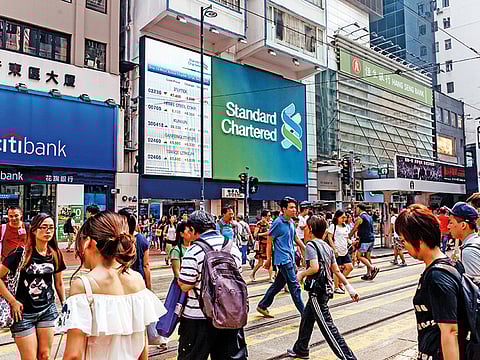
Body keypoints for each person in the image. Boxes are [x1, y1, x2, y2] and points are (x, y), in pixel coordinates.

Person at [60, 211, 166, 360]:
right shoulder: (137, 280)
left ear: (88, 242)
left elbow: (73, 355)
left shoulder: (84, 285)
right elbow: (143, 347)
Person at [395, 204, 465, 360]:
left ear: (418, 241)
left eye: (404, 241)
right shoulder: (452, 264)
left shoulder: (437, 277)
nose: (404, 247)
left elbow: (450, 332)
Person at [177, 210, 247, 360]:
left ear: (193, 229)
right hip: (229, 315)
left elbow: (185, 285)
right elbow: (238, 275)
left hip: (198, 317)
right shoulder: (232, 247)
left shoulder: (194, 250)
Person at [287, 216, 359, 360]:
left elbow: (314, 268)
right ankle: (301, 349)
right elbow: (337, 271)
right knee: (307, 319)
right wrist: (350, 289)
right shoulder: (327, 246)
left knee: (328, 327)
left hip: (317, 291)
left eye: (306, 227)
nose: (305, 229)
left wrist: (301, 274)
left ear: (311, 229)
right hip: (325, 289)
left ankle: (348, 358)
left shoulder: (311, 245)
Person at [0, 213, 66, 360]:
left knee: (44, 355)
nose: (48, 231)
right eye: (44, 227)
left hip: (47, 310)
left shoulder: (55, 254)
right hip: (22, 314)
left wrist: (65, 305)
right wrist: (12, 301)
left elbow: (59, 283)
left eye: (51, 227)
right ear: (34, 230)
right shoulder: (20, 253)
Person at [257, 197, 306, 317]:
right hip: (283, 260)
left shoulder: (291, 222)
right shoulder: (278, 222)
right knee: (295, 286)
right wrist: (268, 259)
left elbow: (296, 238)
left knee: (278, 284)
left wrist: (306, 249)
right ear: (284, 209)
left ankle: (262, 305)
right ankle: (305, 314)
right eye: (291, 207)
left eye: (295, 207)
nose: (294, 210)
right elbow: (270, 239)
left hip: (291, 257)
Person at [118, 208, 152, 290]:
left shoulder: (117, 239)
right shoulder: (142, 239)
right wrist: (149, 288)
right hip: (138, 280)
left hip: (120, 281)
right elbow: (146, 265)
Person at [447, 202, 480, 279]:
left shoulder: (469, 251)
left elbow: (475, 288)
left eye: (451, 222)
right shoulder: (475, 242)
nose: (448, 226)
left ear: (463, 225)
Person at [349, 203, 379, 280]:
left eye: (356, 208)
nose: (355, 210)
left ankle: (372, 268)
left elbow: (354, 228)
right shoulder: (369, 217)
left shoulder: (360, 218)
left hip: (365, 240)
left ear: (359, 208)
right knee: (367, 256)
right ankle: (368, 274)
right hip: (371, 239)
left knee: (359, 256)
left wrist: (348, 237)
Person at [327, 210, 354, 294]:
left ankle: (340, 281)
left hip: (344, 251)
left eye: (345, 217)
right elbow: (329, 237)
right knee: (337, 270)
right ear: (337, 217)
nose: (344, 219)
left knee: (350, 267)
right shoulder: (333, 226)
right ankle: (336, 287)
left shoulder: (346, 226)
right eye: (342, 217)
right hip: (336, 251)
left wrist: (351, 242)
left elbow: (346, 238)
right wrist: (334, 248)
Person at [251, 210, 273, 282]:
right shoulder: (259, 224)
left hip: (268, 244)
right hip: (261, 245)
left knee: (269, 260)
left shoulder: (270, 223)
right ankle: (253, 274)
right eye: (268, 216)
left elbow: (272, 231)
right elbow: (255, 234)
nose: (269, 217)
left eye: (270, 216)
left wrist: (267, 223)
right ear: (264, 216)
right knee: (260, 263)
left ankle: (271, 277)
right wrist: (265, 233)